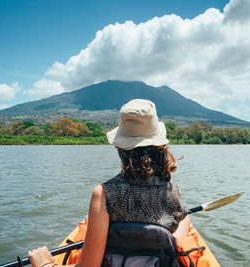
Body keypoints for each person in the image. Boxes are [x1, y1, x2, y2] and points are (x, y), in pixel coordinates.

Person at [29, 99, 190, 267]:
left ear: (120, 148)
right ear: (160, 145)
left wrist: (45, 265)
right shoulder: (173, 191)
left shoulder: (104, 194)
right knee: (184, 220)